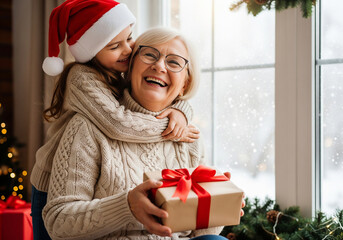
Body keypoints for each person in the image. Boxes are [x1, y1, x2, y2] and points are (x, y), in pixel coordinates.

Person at [42, 27, 244, 240]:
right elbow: (58, 222)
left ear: (184, 84)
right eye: (149, 55)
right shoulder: (87, 127)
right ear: (129, 69)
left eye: (174, 62)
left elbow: (196, 233)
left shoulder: (189, 138)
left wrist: (217, 208)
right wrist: (126, 206)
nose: (159, 66)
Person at [31, 1, 199, 239]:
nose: (129, 51)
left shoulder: (116, 72)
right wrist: (169, 127)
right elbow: (118, 124)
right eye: (114, 46)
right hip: (50, 182)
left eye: (130, 39)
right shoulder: (82, 79)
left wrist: (181, 111)